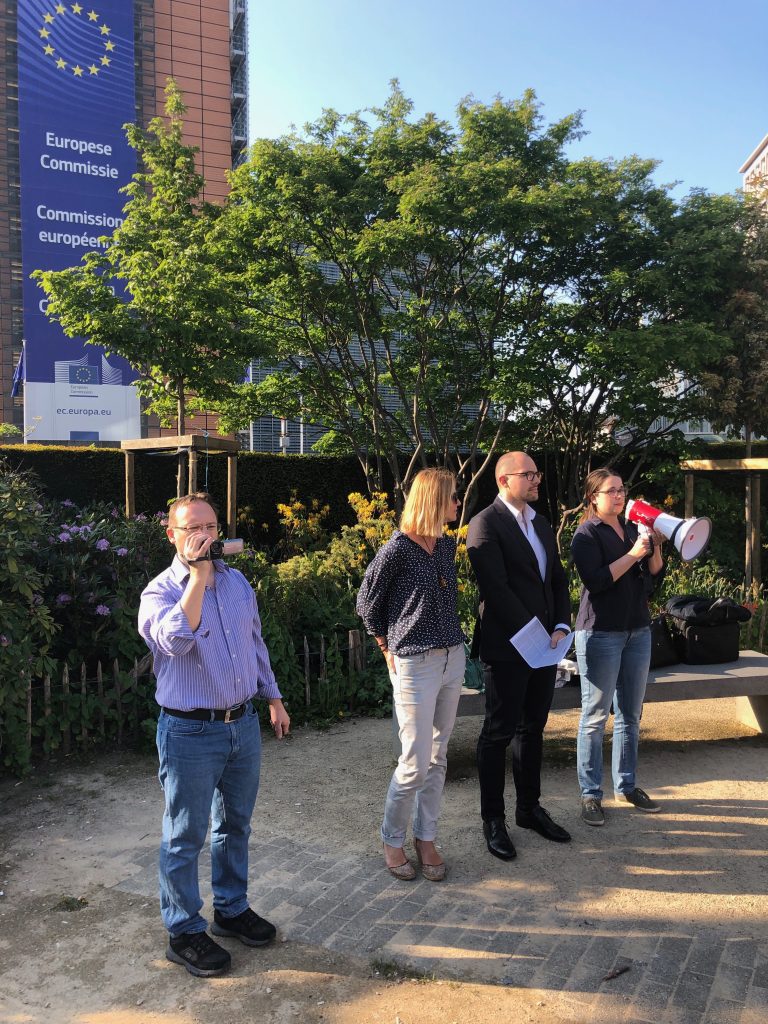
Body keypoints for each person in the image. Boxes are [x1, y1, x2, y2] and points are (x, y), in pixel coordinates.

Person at [138, 492, 290, 977]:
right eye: (192, 529)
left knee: (235, 824)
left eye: (210, 526)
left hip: (241, 725)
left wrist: (273, 697)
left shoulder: (238, 581)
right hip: (189, 731)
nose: (204, 535)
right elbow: (176, 640)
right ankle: (183, 931)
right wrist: (198, 580)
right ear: (173, 535)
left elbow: (254, 642)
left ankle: (230, 908)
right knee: (184, 835)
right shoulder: (159, 592)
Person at [356, 468, 465, 882]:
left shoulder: (445, 547)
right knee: (414, 763)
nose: (457, 504)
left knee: (438, 758)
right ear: (434, 500)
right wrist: (386, 649)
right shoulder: (396, 550)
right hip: (415, 663)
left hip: (452, 657)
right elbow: (367, 604)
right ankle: (391, 839)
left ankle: (426, 838)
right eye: (452, 497)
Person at [466, 451, 572, 861]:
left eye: (537, 473)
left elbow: (557, 580)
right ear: (504, 480)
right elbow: (496, 588)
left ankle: (529, 809)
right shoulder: (485, 523)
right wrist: (532, 633)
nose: (536, 480)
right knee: (498, 732)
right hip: (508, 648)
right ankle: (494, 820)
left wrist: (561, 624)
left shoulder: (541, 523)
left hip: (546, 646)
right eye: (528, 474)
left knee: (533, 728)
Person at [571, 468, 665, 827]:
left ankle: (627, 786)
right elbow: (596, 581)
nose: (618, 496)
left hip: (637, 630)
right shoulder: (586, 535)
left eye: (622, 489)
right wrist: (634, 552)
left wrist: (652, 546)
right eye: (610, 491)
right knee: (594, 717)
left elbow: (653, 576)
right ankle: (591, 795)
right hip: (601, 633)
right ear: (593, 497)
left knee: (631, 715)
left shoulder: (630, 529)